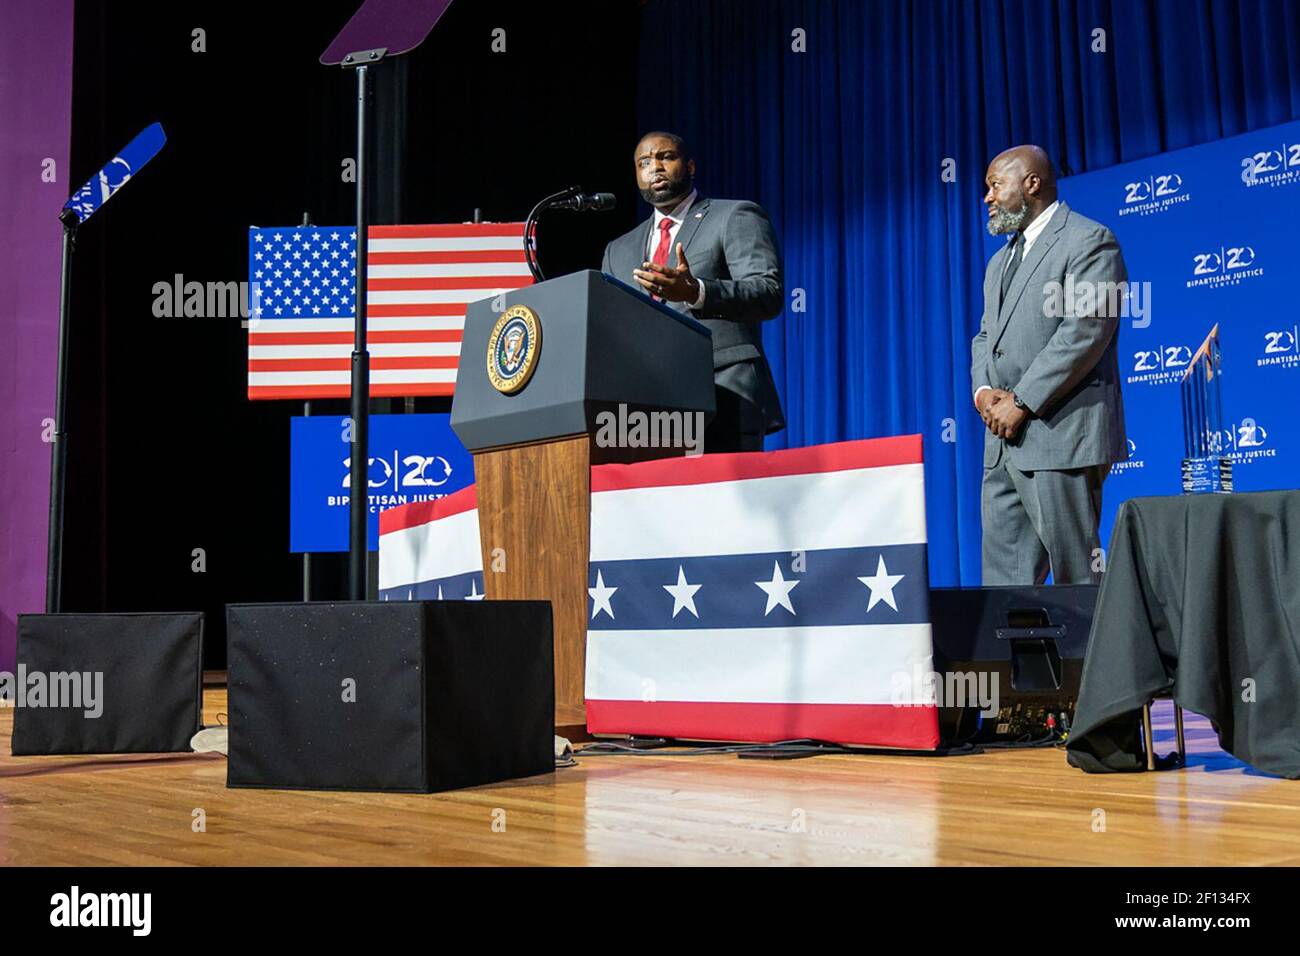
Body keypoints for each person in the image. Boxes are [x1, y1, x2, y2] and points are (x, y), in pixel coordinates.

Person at [970, 145, 1128, 585]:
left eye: (995, 185)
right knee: (1005, 594)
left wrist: (1021, 401)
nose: (987, 197)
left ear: (1032, 183)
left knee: (1079, 580)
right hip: (1002, 442)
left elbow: (1085, 331)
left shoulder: (1090, 240)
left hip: (1062, 437)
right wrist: (984, 394)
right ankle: (1019, 659)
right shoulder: (999, 262)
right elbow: (986, 337)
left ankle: (1094, 659)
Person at [602, 131, 784, 452]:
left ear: (690, 166)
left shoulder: (734, 215)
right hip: (645, 411)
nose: (655, 167)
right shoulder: (618, 250)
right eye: (644, 162)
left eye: (666, 157)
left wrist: (696, 291)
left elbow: (766, 293)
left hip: (723, 392)